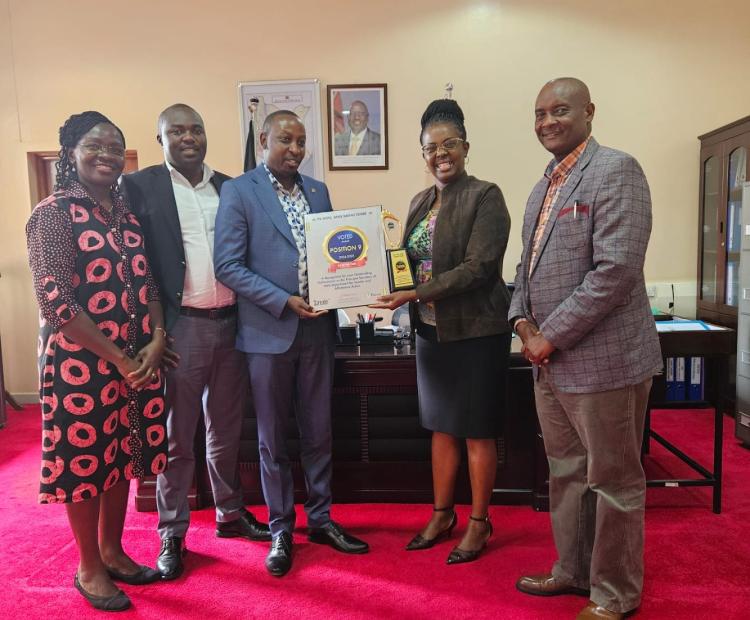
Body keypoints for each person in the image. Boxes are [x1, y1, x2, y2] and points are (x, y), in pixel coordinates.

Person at [509, 78, 662, 620]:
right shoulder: (542, 187)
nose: (547, 121)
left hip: (606, 363)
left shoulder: (617, 170)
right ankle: (572, 571)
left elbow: (616, 270)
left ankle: (615, 594)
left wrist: (550, 335)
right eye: (539, 112)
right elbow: (525, 270)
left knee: (613, 480)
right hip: (548, 365)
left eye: (560, 110)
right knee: (566, 472)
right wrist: (523, 322)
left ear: (589, 112)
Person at [214, 110, 369, 577]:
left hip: (319, 331)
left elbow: (334, 254)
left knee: (319, 429)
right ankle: (281, 527)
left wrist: (349, 286)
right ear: (264, 140)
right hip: (267, 333)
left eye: (302, 141)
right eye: (286, 140)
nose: (296, 150)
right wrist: (284, 300)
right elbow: (228, 266)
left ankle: (320, 519)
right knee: (272, 439)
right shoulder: (240, 191)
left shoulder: (318, 191)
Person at [26, 111, 168, 611]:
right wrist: (119, 358)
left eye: (115, 146)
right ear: (70, 152)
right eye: (94, 144)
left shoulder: (125, 215)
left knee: (122, 458)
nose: (106, 154)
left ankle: (113, 550)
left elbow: (148, 284)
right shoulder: (53, 214)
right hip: (79, 367)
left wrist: (154, 340)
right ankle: (88, 566)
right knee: (85, 464)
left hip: (134, 360)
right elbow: (57, 303)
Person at [122, 103, 270, 580]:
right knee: (176, 436)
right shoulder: (140, 186)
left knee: (226, 431)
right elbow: (134, 264)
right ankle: (173, 531)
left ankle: (229, 513)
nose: (188, 137)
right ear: (160, 137)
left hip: (232, 325)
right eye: (176, 131)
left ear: (206, 136)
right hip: (178, 328)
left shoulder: (232, 186)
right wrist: (148, 329)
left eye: (196, 129)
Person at [372, 99, 512, 564]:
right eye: (431, 147)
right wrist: (374, 274)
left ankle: (479, 521)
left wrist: (415, 294)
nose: (440, 153)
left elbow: (478, 268)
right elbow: (405, 263)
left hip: (475, 332)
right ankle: (441, 513)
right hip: (431, 334)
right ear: (423, 154)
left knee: (475, 429)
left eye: (449, 143)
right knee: (439, 427)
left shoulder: (485, 196)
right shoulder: (419, 202)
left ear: (465, 147)